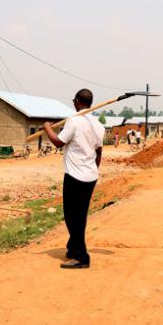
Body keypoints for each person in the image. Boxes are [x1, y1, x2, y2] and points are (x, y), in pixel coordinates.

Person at [43, 88, 105, 269]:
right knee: (79, 215)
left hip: (75, 176)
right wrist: (92, 170)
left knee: (73, 217)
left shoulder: (74, 121)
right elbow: (99, 152)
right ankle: (72, 247)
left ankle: (81, 257)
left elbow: (58, 142)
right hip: (90, 176)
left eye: (74, 100)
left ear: (77, 101)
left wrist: (47, 127)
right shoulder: (98, 125)